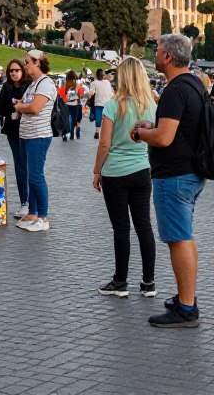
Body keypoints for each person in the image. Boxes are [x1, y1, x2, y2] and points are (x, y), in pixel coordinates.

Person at [132, 33, 206, 328]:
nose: (155, 54)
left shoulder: (176, 90)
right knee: (184, 237)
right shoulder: (194, 84)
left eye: (158, 50)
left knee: (179, 239)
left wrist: (141, 133)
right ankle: (186, 298)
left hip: (174, 175)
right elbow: (174, 128)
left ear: (169, 57)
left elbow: (164, 137)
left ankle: (186, 307)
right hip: (189, 172)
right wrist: (154, 126)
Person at [91, 57, 158, 299]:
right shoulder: (151, 105)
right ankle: (148, 282)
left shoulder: (113, 105)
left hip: (116, 172)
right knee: (144, 226)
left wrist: (97, 170)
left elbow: (105, 143)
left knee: (121, 228)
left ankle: (120, 281)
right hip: (142, 169)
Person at [13, 50, 56, 232]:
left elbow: (34, 107)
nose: (25, 66)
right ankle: (33, 211)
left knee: (37, 176)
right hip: (28, 134)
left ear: (38, 63)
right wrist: (22, 106)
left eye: (28, 62)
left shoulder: (45, 84)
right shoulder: (33, 85)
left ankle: (43, 216)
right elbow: (24, 103)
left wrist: (21, 107)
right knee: (32, 175)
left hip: (39, 135)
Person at [0, 59, 30, 218]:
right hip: (13, 130)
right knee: (20, 165)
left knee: (30, 167)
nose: (14, 73)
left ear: (22, 71)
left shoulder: (28, 86)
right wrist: (13, 106)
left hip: (29, 130)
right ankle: (24, 202)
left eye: (17, 70)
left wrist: (21, 106)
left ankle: (32, 203)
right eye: (11, 71)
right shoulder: (7, 87)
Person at [87, 69, 114, 141]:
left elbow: (91, 93)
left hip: (98, 102)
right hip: (107, 103)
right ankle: (107, 132)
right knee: (107, 118)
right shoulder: (107, 82)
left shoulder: (94, 83)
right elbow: (110, 93)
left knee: (98, 117)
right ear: (103, 75)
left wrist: (89, 96)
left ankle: (97, 131)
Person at [61, 69, 85, 141]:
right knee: (74, 120)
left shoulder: (64, 86)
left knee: (66, 120)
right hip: (75, 105)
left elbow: (61, 96)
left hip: (65, 105)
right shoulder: (77, 86)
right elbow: (81, 96)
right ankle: (72, 134)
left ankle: (64, 134)